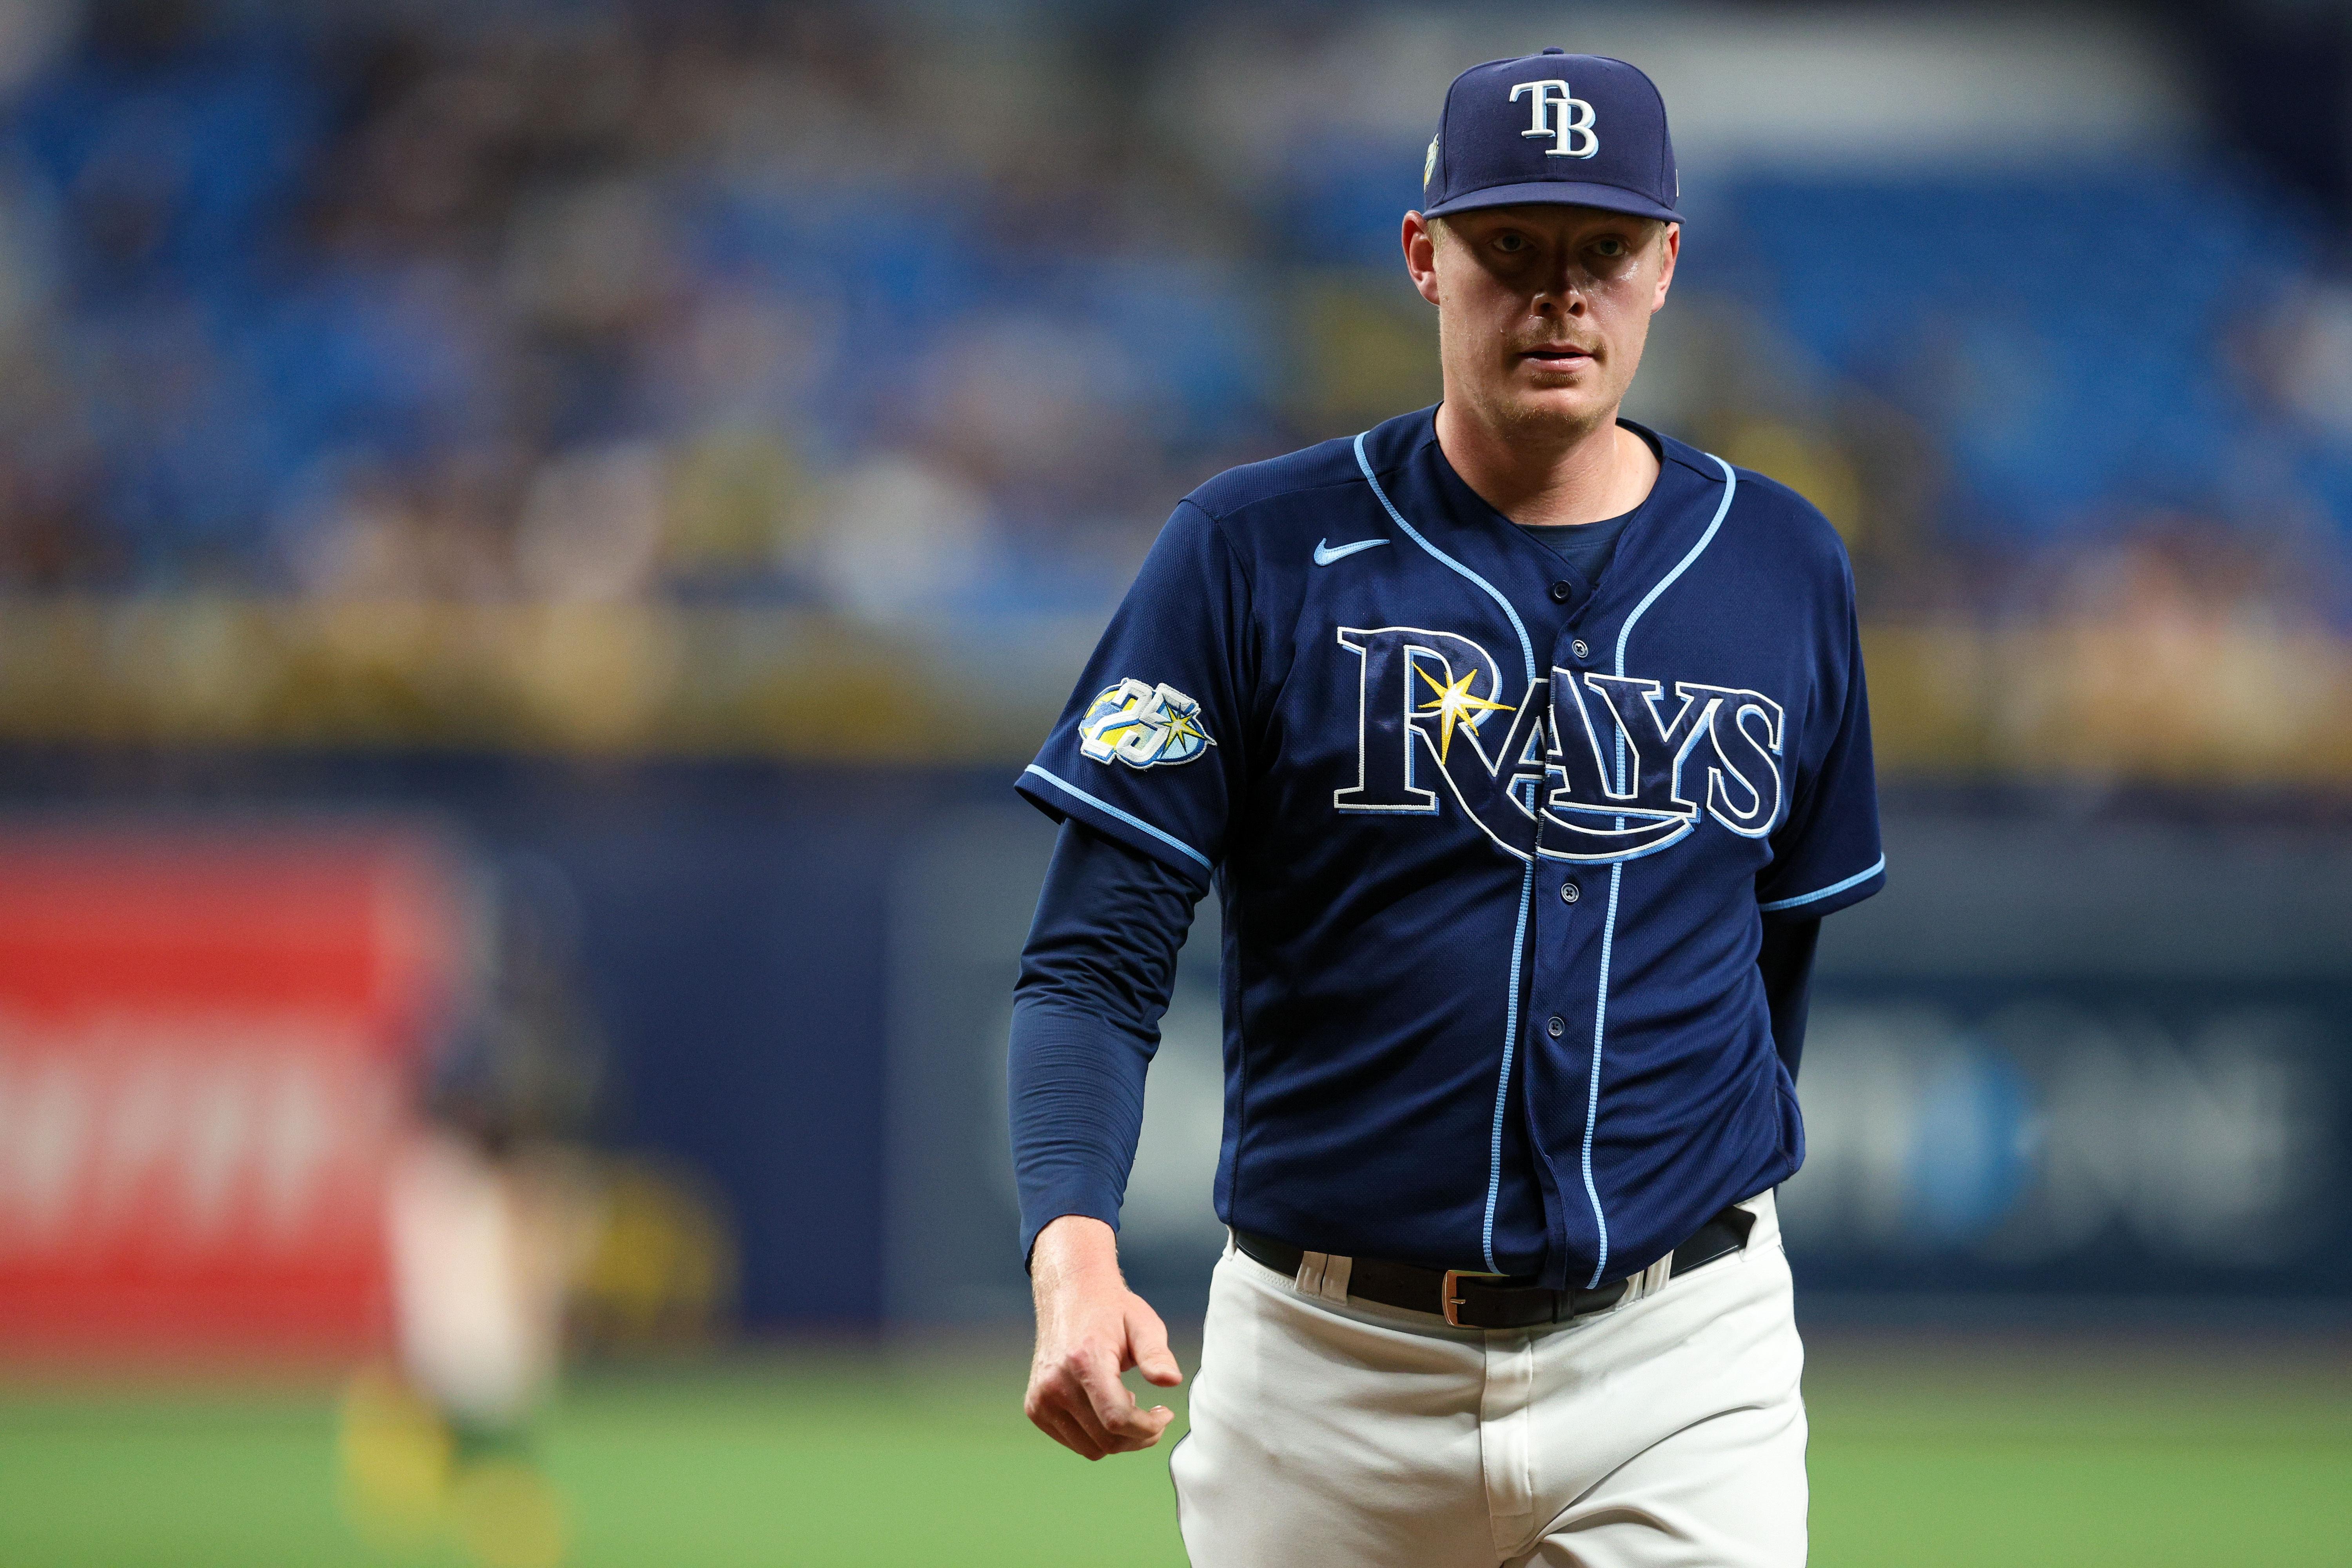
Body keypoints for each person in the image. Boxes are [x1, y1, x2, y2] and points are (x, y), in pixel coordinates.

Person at [1007, 47, 1883, 1567]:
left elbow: (1772, 965)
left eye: (1604, 249)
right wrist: (1073, 1247)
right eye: (1511, 246)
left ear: (1666, 263)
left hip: (1682, 1366)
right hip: (1326, 1375)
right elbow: (1091, 960)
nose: (1561, 293)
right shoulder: (1249, 552)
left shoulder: (1784, 569)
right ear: (1426, 256)